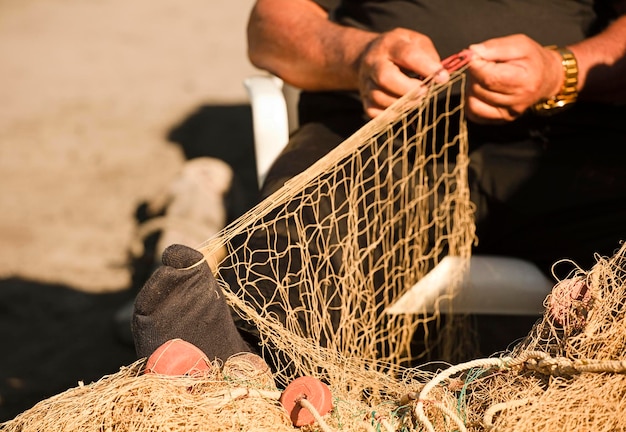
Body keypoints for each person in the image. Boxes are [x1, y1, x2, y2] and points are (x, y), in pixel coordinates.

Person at [132, 0, 626, 365]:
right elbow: (269, 27)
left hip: (566, 142)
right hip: (370, 134)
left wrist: (564, 70)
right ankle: (252, 381)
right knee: (290, 239)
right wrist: (359, 56)